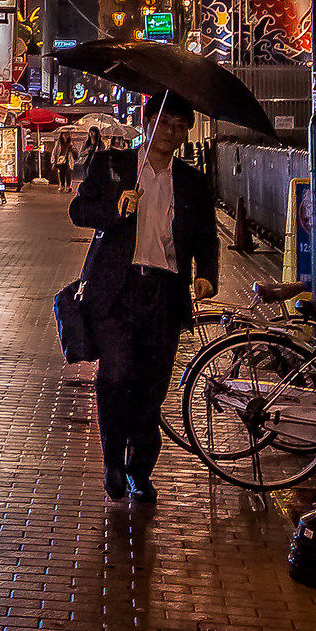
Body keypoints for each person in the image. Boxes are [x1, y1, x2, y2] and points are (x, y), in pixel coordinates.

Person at [69, 93, 219, 501]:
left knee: (151, 387)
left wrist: (206, 275)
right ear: (146, 121)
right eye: (164, 122)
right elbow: (79, 211)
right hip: (117, 290)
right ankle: (113, 463)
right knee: (115, 376)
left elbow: (206, 236)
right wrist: (116, 210)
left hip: (165, 294)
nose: (171, 132)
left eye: (179, 126)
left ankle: (140, 467)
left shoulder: (191, 181)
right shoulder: (114, 165)